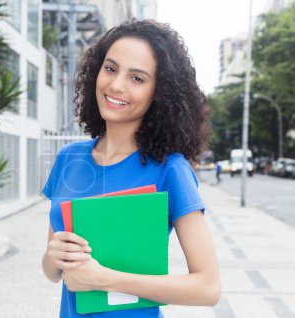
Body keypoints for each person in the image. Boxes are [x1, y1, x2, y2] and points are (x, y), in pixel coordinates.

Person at [41, 19, 221, 318]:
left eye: (137, 78)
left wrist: (106, 279)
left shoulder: (170, 169)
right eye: (110, 69)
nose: (116, 85)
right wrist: (53, 258)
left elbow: (208, 287)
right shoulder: (68, 159)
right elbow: (53, 273)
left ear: (158, 93)